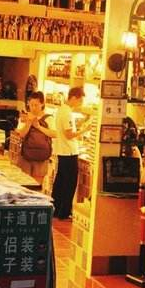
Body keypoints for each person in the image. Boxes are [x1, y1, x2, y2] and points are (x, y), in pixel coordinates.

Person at [52, 86, 92, 220]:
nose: (81, 104)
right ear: (74, 98)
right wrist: (84, 130)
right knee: (69, 183)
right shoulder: (67, 113)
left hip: (62, 151)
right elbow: (69, 135)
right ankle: (64, 212)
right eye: (80, 100)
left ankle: (56, 209)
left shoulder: (61, 110)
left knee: (60, 181)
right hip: (69, 152)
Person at [15, 91, 56, 188]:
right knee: (23, 185)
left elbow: (54, 134)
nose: (33, 108)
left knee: (37, 186)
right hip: (26, 157)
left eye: (36, 105)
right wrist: (29, 123)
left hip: (42, 157)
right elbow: (21, 134)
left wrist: (38, 127)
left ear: (42, 104)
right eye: (31, 105)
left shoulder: (49, 118)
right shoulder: (24, 117)